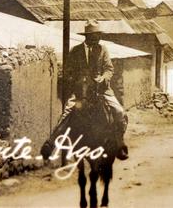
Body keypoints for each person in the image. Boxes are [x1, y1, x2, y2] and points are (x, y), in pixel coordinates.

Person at [41, 21, 129, 160]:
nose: (97, 38)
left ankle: (120, 145)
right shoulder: (75, 51)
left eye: (98, 35)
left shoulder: (103, 49)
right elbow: (68, 70)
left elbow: (109, 68)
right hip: (81, 91)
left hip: (102, 90)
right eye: (94, 35)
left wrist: (103, 77)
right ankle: (51, 144)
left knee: (119, 112)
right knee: (67, 112)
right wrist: (77, 80)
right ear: (87, 36)